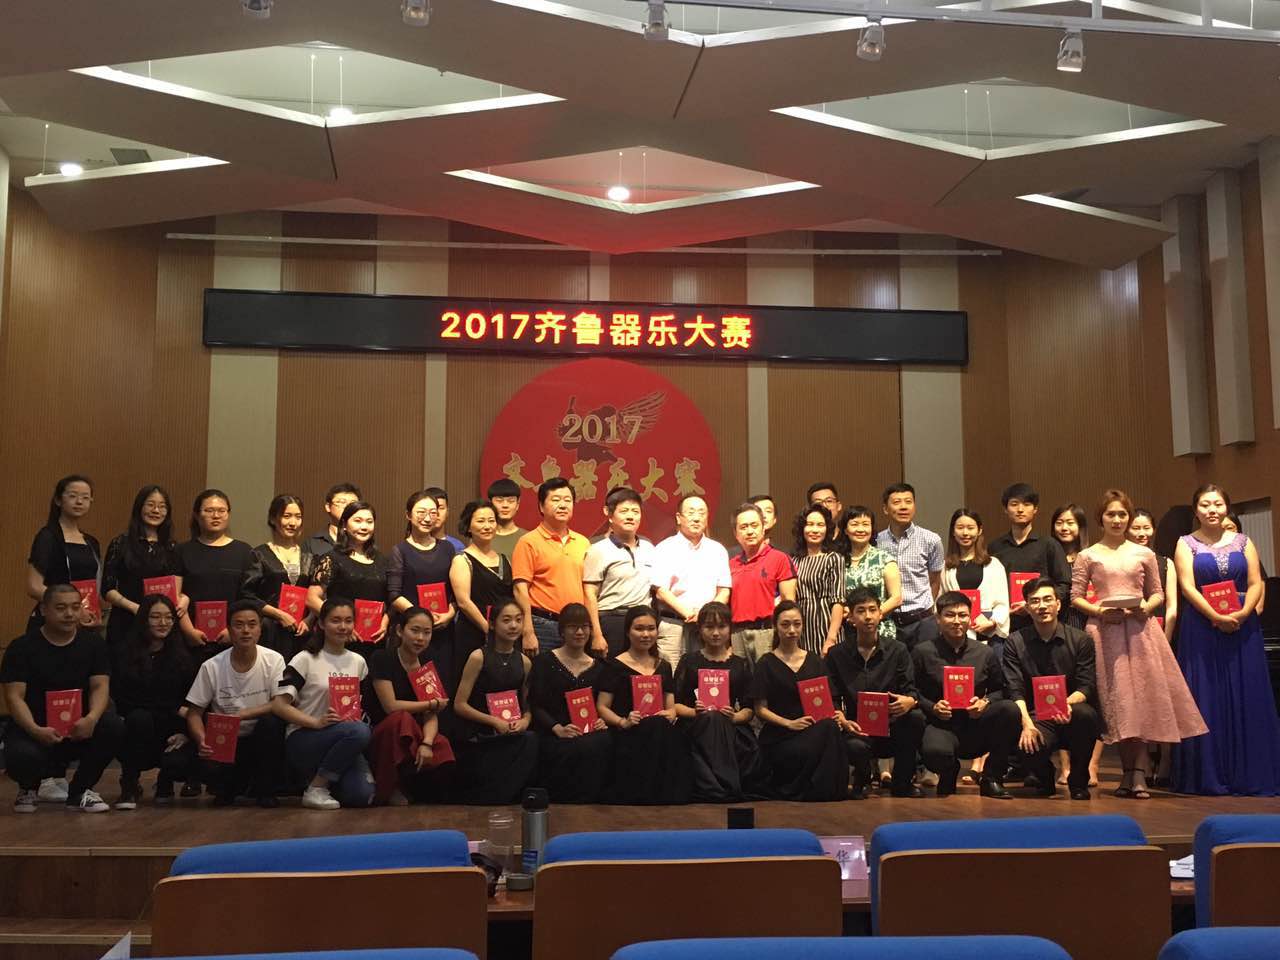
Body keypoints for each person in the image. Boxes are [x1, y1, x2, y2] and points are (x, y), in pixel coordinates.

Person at [1071, 489, 1206, 799]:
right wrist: (1100, 611)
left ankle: (1139, 774)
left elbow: (1157, 593)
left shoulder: (1143, 553)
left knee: (1142, 701)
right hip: (1105, 631)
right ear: (1101, 518)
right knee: (1118, 703)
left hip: (1140, 631)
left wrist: (1146, 607)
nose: (1117, 520)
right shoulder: (1088, 555)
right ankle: (1126, 773)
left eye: (1122, 514)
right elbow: (1075, 597)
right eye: (1111, 514)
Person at [1173, 484, 1280, 796]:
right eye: (1205, 504)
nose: (1212, 510)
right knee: (1207, 694)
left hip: (1243, 626)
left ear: (1227, 508)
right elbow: (1187, 587)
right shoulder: (1185, 543)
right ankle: (1210, 774)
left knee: (1248, 693)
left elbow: (1256, 582)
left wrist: (1244, 613)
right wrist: (1215, 616)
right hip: (1202, 627)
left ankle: (1252, 772)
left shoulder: (1244, 541)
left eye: (1218, 504)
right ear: (1196, 510)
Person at [3, 585, 125, 813]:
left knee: (112, 726)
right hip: (36, 730)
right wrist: (35, 729)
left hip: (78, 729)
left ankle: (80, 790)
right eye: (60, 608)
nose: (69, 614)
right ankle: (28, 788)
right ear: (43, 610)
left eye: (75, 607)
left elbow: (100, 686)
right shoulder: (21, 647)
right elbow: (14, 696)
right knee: (21, 755)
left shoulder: (93, 644)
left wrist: (91, 719)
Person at [913, 590, 1020, 799]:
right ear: (938, 619)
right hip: (941, 725)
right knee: (936, 753)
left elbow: (1001, 689)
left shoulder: (984, 652)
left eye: (962, 615)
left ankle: (991, 778)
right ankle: (948, 771)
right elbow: (912, 691)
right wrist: (932, 707)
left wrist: (985, 702)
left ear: (970, 618)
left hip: (976, 725)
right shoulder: (922, 652)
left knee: (1009, 710)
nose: (957, 621)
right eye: (949, 615)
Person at [1003, 578, 1101, 801]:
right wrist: (1027, 724)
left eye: (1048, 599)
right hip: (1035, 716)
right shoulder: (1015, 642)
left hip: (1071, 710)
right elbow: (1015, 688)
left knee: (1087, 715)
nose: (1042, 606)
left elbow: (1087, 685)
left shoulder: (1081, 640)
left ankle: (1078, 781)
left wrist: (1066, 704)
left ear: (1058, 604)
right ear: (1027, 607)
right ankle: (1044, 776)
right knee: (1020, 736)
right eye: (1035, 601)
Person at [273, 598, 375, 810]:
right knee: (360, 732)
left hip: (345, 737)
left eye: (348, 621)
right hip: (305, 737)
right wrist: (316, 722)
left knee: (362, 796)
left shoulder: (358, 662)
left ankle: (324, 778)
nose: (343, 626)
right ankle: (316, 788)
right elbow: (279, 706)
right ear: (321, 623)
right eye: (335, 620)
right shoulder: (304, 659)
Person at [185, 600, 287, 807]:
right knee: (187, 766)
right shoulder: (211, 666)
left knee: (271, 722)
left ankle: (265, 790)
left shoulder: (274, 660)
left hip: (261, 738)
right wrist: (202, 740)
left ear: (260, 629)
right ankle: (230, 787)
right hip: (226, 741)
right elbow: (194, 712)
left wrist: (242, 714)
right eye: (239, 625)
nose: (246, 631)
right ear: (229, 629)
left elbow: (280, 703)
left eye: (252, 624)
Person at [826, 588, 925, 798]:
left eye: (873, 610)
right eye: (861, 611)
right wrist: (841, 718)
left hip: (891, 726)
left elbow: (911, 689)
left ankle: (902, 783)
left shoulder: (898, 650)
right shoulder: (837, 655)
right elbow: (831, 697)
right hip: (856, 728)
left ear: (881, 614)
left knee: (915, 718)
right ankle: (861, 779)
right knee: (846, 740)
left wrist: (910, 700)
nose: (868, 616)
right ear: (850, 617)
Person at [749, 600, 850, 801]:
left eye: (797, 624)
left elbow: (829, 701)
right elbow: (760, 709)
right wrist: (789, 723)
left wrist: (839, 715)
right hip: (780, 737)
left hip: (812, 732)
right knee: (827, 729)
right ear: (775, 627)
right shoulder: (766, 663)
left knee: (830, 726)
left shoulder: (815, 661)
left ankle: (825, 790)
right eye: (785, 625)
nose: (792, 630)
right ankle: (818, 790)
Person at [597, 605, 693, 804]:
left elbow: (670, 707)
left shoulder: (663, 665)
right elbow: (602, 707)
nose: (646, 634)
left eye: (651, 628)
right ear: (627, 631)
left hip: (658, 729)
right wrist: (622, 721)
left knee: (665, 728)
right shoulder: (614, 665)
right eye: (639, 629)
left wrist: (670, 714)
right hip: (627, 731)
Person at [112, 595, 197, 809]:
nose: (163, 623)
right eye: (156, 617)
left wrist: (185, 731)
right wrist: (172, 708)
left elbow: (191, 701)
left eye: (169, 617)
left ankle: (165, 781)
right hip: (137, 728)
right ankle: (129, 784)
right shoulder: (125, 654)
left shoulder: (183, 657)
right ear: (144, 619)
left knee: (181, 746)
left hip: (172, 729)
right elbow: (125, 699)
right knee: (139, 718)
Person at [451, 598, 539, 804]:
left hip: (511, 730)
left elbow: (527, 706)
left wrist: (525, 721)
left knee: (531, 739)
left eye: (518, 620)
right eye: (506, 620)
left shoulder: (525, 662)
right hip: (482, 732)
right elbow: (459, 705)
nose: (513, 625)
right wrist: (493, 721)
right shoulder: (478, 657)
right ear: (492, 624)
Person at [673, 601, 761, 802]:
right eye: (709, 627)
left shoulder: (740, 664)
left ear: (730, 629)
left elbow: (749, 709)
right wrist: (694, 712)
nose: (715, 633)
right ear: (699, 629)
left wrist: (735, 716)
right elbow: (674, 704)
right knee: (710, 719)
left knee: (719, 721)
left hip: (731, 725)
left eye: (721, 627)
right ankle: (724, 787)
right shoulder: (689, 661)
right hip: (695, 724)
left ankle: (716, 787)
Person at [366, 607, 455, 805]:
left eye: (427, 632)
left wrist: (427, 743)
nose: (420, 638)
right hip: (384, 731)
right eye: (415, 630)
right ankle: (390, 787)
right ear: (400, 630)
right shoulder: (382, 658)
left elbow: (431, 714)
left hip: (415, 732)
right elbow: (391, 706)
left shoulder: (426, 664)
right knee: (401, 719)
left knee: (440, 742)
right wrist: (430, 703)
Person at [527, 603, 613, 803]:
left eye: (585, 626)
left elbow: (602, 706)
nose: (580, 632)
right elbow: (535, 704)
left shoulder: (600, 667)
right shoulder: (544, 662)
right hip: (554, 732)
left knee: (602, 739)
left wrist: (600, 720)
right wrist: (557, 728)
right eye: (573, 626)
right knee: (569, 748)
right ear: (561, 631)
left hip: (588, 732)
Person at [651, 495, 732, 670]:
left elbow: (724, 591)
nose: (696, 518)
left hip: (708, 626)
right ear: (678, 518)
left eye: (702, 513)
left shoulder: (717, 550)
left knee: (706, 676)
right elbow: (661, 591)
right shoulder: (664, 548)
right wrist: (688, 613)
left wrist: (705, 615)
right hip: (673, 624)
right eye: (691, 512)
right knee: (671, 675)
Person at [1129, 506, 1179, 787]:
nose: (1141, 533)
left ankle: (1167, 758)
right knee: (1140, 701)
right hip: (1132, 637)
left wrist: (1166, 640)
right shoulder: (1123, 561)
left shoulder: (1166, 563)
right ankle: (1145, 760)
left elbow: (1171, 606)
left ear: (1154, 529)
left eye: (1146, 527)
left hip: (1162, 639)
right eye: (1136, 528)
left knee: (1164, 701)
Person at [512, 478, 589, 655]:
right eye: (555, 500)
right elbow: (520, 590)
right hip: (542, 624)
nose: (562, 505)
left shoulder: (583, 543)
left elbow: (588, 589)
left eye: (567, 500)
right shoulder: (528, 542)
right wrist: (528, 631)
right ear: (541, 506)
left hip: (576, 627)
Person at [177, 489, 260, 655]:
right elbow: (175, 596)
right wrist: (188, 631)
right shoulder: (182, 551)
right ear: (196, 515)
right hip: (190, 639)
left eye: (222, 511)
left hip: (233, 639)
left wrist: (233, 630)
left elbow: (249, 598)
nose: (216, 516)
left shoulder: (243, 551)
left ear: (228, 514)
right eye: (209, 510)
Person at [102, 484, 182, 651]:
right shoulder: (121, 543)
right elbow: (107, 589)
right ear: (139, 507)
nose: (156, 510)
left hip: (161, 625)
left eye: (162, 506)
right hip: (126, 620)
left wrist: (184, 600)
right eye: (150, 505)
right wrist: (136, 609)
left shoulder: (172, 547)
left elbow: (177, 588)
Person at [307, 500, 390, 661]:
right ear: (344, 525)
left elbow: (389, 601)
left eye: (369, 521)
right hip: (340, 639)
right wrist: (341, 624)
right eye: (358, 521)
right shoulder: (332, 558)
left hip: (375, 639)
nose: (364, 526)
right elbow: (312, 598)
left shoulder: (383, 560)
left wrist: (385, 623)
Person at [989, 483, 1071, 636]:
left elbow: (1064, 584)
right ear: (1005, 509)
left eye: (1026, 504)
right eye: (1014, 504)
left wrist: (1036, 603)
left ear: (1035, 509)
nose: (1020, 509)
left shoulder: (1049, 544)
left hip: (1044, 625)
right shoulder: (995, 548)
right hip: (1005, 627)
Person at [450, 500, 514, 693]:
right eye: (480, 521)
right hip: (474, 633)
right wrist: (489, 630)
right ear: (468, 526)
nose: (487, 526)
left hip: (504, 634)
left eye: (491, 520)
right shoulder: (462, 559)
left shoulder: (504, 558)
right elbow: (464, 602)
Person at [583, 487, 655, 657]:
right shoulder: (598, 550)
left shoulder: (649, 548)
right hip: (612, 620)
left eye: (635, 511)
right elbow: (589, 594)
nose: (630, 516)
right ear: (610, 515)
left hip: (643, 622)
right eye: (624, 511)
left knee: (641, 671)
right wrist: (597, 634)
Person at [26, 475, 102, 630]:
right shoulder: (47, 537)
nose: (79, 501)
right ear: (58, 500)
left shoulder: (91, 542)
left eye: (85, 497)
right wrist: (74, 609)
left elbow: (94, 586)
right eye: (73, 496)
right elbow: (34, 587)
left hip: (85, 621)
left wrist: (93, 612)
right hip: (54, 621)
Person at [875, 483, 943, 649]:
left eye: (908, 501)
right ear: (885, 509)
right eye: (897, 502)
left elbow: (935, 580)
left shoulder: (931, 540)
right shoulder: (876, 541)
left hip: (922, 622)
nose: (903, 507)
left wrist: (927, 610)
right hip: (888, 622)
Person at [729, 503, 797, 667]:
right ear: (736, 534)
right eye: (743, 527)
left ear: (763, 527)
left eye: (754, 525)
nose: (750, 531)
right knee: (741, 680)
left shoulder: (780, 558)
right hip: (736, 634)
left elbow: (789, 602)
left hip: (768, 632)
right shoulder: (731, 564)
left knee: (769, 678)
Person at [388, 490, 457, 645]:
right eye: (421, 512)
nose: (427, 518)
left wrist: (450, 615)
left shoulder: (448, 548)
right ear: (408, 515)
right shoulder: (400, 550)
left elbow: (456, 593)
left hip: (443, 627)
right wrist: (422, 618)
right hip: (412, 630)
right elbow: (394, 595)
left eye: (433, 513)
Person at [940, 508, 1011, 657]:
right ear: (953, 532)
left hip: (989, 635)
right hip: (955, 634)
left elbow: (1003, 603)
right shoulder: (946, 567)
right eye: (960, 528)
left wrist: (992, 622)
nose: (965, 533)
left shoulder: (993, 564)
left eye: (970, 528)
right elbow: (940, 601)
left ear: (979, 531)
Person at [251, 495, 314, 660]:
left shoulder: (309, 556)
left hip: (302, 632)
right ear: (273, 519)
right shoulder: (259, 554)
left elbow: (316, 594)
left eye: (298, 517)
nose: (293, 522)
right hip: (269, 630)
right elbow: (248, 595)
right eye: (287, 516)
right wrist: (280, 615)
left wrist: (309, 620)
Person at [836, 506, 902, 642]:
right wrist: (847, 613)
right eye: (855, 524)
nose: (860, 529)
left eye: (865, 524)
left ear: (872, 529)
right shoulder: (838, 560)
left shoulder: (884, 559)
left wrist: (869, 617)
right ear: (845, 530)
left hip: (880, 631)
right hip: (846, 631)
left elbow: (896, 598)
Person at [790, 506, 845, 656]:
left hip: (827, 628)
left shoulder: (834, 558)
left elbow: (838, 601)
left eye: (820, 525)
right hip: (801, 630)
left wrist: (831, 639)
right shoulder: (794, 560)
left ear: (827, 529)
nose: (814, 530)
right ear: (802, 528)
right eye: (810, 524)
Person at [1050, 503, 1089, 628]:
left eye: (1070, 523)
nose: (1064, 528)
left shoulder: (1090, 556)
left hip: (1085, 616)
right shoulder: (1047, 556)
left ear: (1080, 527)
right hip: (1055, 616)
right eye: (1059, 523)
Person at [306, 483, 361, 557]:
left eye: (353, 503)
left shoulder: (363, 540)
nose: (347, 506)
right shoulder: (312, 543)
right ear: (328, 507)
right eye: (342, 502)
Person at [487, 478, 527, 562]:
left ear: (517, 505)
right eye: (499, 501)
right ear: (490, 503)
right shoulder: (481, 537)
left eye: (511, 501)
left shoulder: (528, 538)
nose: (505, 505)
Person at [425, 487, 466, 552]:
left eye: (441, 508)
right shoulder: (413, 545)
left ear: (447, 512)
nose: (437, 512)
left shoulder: (456, 547)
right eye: (432, 508)